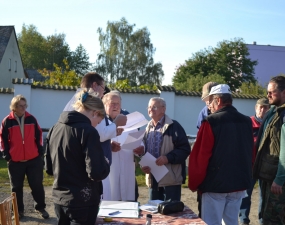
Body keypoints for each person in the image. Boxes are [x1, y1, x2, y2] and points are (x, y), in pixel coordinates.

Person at [188, 84, 253, 225]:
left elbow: (201, 157)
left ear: (218, 100)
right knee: (231, 222)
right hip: (239, 183)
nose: (209, 105)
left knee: (211, 222)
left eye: (210, 101)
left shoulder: (211, 122)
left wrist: (194, 183)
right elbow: (250, 152)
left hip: (215, 185)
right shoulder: (247, 121)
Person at [45, 89, 110, 225]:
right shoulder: (88, 132)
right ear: (95, 113)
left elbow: (49, 168)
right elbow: (96, 172)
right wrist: (105, 163)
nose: (96, 125)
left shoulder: (54, 128)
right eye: (98, 122)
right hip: (82, 201)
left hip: (60, 199)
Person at [63, 72, 127, 200]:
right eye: (103, 88)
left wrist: (108, 143)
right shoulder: (90, 104)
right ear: (94, 85)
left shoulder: (76, 101)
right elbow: (98, 134)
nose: (103, 93)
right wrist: (116, 124)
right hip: (90, 166)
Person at [0, 95, 49, 219]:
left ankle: (41, 208)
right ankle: (18, 211)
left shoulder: (31, 119)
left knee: (37, 185)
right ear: (14, 107)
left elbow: (39, 136)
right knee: (16, 188)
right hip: (15, 161)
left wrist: (39, 152)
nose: (24, 108)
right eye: (21, 106)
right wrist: (6, 154)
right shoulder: (7, 121)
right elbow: (3, 139)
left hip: (33, 159)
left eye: (25, 105)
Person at [141, 97, 190, 201]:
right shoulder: (148, 127)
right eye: (149, 107)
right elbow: (145, 151)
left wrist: (168, 158)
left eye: (154, 107)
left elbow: (185, 149)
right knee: (154, 213)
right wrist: (144, 164)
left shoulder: (174, 126)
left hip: (170, 180)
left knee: (171, 213)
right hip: (152, 178)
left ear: (163, 109)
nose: (150, 109)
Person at [253, 75, 285, 224]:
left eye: (272, 92)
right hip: (266, 175)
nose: (268, 95)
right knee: (265, 216)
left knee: (274, 219)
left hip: (278, 180)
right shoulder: (273, 112)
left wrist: (279, 179)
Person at [102, 91, 144, 201]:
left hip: (128, 170)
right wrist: (109, 146)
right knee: (110, 204)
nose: (116, 106)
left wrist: (140, 149)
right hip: (110, 172)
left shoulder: (130, 121)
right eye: (112, 103)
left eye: (118, 103)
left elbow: (139, 141)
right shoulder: (101, 123)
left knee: (129, 204)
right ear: (105, 105)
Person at [239, 98, 270, 225]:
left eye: (265, 107)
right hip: (250, 165)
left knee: (264, 195)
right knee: (246, 194)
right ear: (256, 108)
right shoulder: (248, 123)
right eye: (260, 107)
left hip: (265, 165)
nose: (263, 110)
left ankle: (262, 220)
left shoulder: (270, 123)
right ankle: (243, 220)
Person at [195, 81, 218, 218]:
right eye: (205, 100)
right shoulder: (203, 113)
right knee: (203, 205)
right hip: (206, 163)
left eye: (208, 99)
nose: (206, 103)